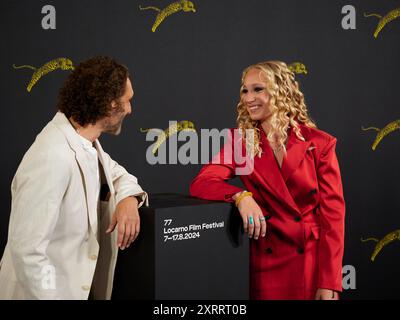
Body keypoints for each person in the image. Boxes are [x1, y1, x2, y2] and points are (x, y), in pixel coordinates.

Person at [190, 61, 345, 300]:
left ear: (280, 91)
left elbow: (333, 217)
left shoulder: (321, 143)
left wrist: (329, 281)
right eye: (245, 90)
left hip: (311, 264)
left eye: (258, 89)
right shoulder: (241, 142)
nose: (248, 98)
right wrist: (241, 196)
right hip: (266, 262)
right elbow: (203, 182)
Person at [0, 56, 148, 300]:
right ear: (111, 105)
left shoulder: (84, 141)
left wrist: (129, 200)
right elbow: (28, 253)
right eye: (127, 101)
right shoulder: (52, 156)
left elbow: (119, 174)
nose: (130, 110)